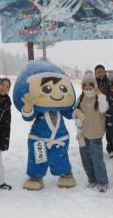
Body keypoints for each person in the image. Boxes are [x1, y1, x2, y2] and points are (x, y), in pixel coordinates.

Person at [13, 61, 82, 191]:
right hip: (39, 138)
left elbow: (69, 113)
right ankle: (35, 177)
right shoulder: (39, 111)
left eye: (62, 88)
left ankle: (66, 174)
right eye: (47, 89)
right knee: (38, 158)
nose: (57, 94)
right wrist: (28, 107)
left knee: (61, 157)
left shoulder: (61, 109)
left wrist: (76, 112)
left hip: (60, 138)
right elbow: (28, 116)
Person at [74, 71, 109, 192]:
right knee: (86, 160)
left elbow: (104, 108)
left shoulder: (100, 98)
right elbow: (75, 111)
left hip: (95, 134)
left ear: (94, 85)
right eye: (85, 85)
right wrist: (77, 118)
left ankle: (102, 181)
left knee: (97, 160)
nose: (87, 87)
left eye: (90, 84)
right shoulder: (80, 98)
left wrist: (100, 95)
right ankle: (92, 179)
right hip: (83, 135)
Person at [95, 64, 113, 158]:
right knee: (97, 130)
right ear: (95, 73)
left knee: (110, 130)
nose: (100, 73)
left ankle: (111, 149)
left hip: (109, 110)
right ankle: (97, 150)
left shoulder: (110, 82)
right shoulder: (93, 83)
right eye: (98, 72)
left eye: (102, 71)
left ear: (104, 72)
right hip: (97, 111)